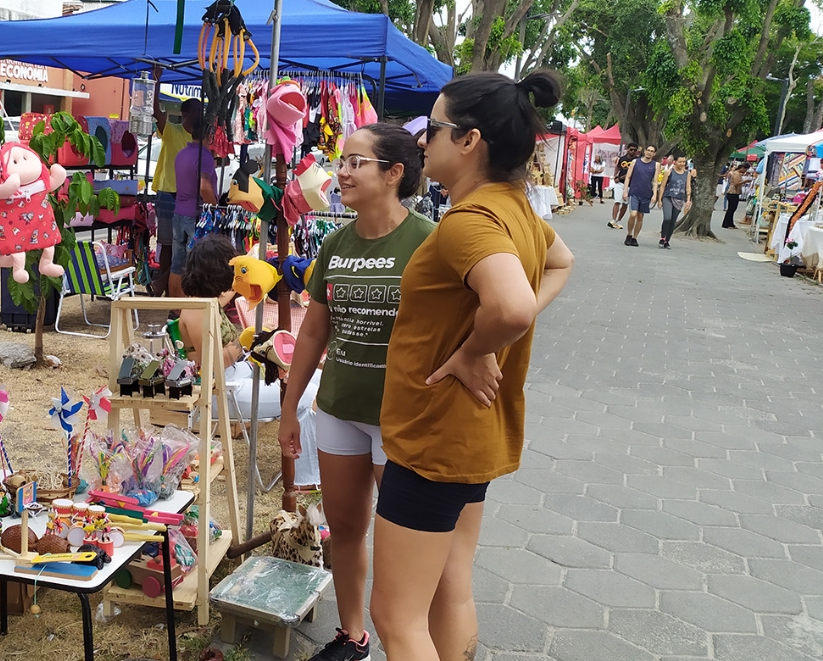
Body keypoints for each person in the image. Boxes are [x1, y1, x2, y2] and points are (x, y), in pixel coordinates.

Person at [370, 70, 575, 661]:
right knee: (450, 589)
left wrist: (475, 348)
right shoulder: (517, 211)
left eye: (430, 129)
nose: (420, 142)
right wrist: (486, 339)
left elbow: (510, 306)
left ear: (468, 140)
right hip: (470, 434)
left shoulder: (470, 221)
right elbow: (561, 262)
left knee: (396, 615)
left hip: (434, 438)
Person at [277, 125, 435, 661]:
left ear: (394, 174)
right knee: (344, 528)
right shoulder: (335, 244)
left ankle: (408, 640)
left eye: (357, 162)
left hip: (403, 418)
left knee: (400, 545)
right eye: (341, 161)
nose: (341, 172)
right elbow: (314, 333)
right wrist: (290, 409)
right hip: (340, 408)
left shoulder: (428, 240)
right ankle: (352, 634)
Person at [175, 235, 315, 422]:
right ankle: (310, 450)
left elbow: (231, 291)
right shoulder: (198, 310)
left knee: (314, 375)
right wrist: (243, 341)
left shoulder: (209, 300)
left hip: (235, 374)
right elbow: (214, 362)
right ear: (218, 271)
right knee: (311, 394)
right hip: (220, 391)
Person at [150, 66, 200, 297]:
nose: (201, 115)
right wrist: (156, 82)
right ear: (186, 113)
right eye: (197, 111)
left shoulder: (200, 139)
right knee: (168, 244)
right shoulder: (171, 130)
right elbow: (157, 112)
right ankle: (165, 287)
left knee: (187, 245)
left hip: (189, 198)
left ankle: (167, 286)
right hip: (168, 194)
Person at [168, 98, 216, 297]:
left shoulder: (182, 154)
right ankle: (189, 307)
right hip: (195, 215)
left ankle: (175, 308)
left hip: (178, 212)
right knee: (195, 264)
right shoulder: (203, 156)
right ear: (209, 134)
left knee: (177, 264)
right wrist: (215, 204)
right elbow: (204, 186)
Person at [622, 145, 659, 246]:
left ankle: (635, 237)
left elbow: (655, 181)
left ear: (654, 153)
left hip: (646, 193)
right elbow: (628, 177)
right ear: (644, 151)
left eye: (652, 151)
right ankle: (629, 234)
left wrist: (655, 195)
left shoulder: (656, 165)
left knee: (640, 216)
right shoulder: (635, 162)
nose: (649, 153)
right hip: (634, 191)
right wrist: (625, 191)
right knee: (633, 214)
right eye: (648, 150)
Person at [658, 155, 693, 249]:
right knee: (667, 218)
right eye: (680, 162)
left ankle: (667, 240)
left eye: (684, 162)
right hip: (668, 197)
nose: (682, 164)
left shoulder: (687, 173)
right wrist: (659, 199)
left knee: (673, 221)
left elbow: (688, 187)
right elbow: (662, 186)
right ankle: (662, 238)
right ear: (675, 162)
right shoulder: (669, 172)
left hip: (679, 199)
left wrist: (688, 200)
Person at [610, 144, 639, 229]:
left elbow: (631, 172)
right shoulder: (622, 159)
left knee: (625, 203)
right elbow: (617, 167)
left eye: (634, 150)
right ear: (627, 149)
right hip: (620, 183)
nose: (632, 151)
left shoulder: (637, 161)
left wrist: (619, 178)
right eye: (631, 149)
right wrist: (615, 176)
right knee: (617, 201)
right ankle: (613, 220)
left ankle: (619, 220)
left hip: (631, 184)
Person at [722, 163, 750, 229]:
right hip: (732, 192)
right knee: (731, 209)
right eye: (745, 169)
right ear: (742, 168)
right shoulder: (736, 174)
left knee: (733, 209)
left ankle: (730, 223)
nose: (745, 171)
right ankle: (727, 223)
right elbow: (736, 183)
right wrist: (745, 181)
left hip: (735, 193)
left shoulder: (738, 174)